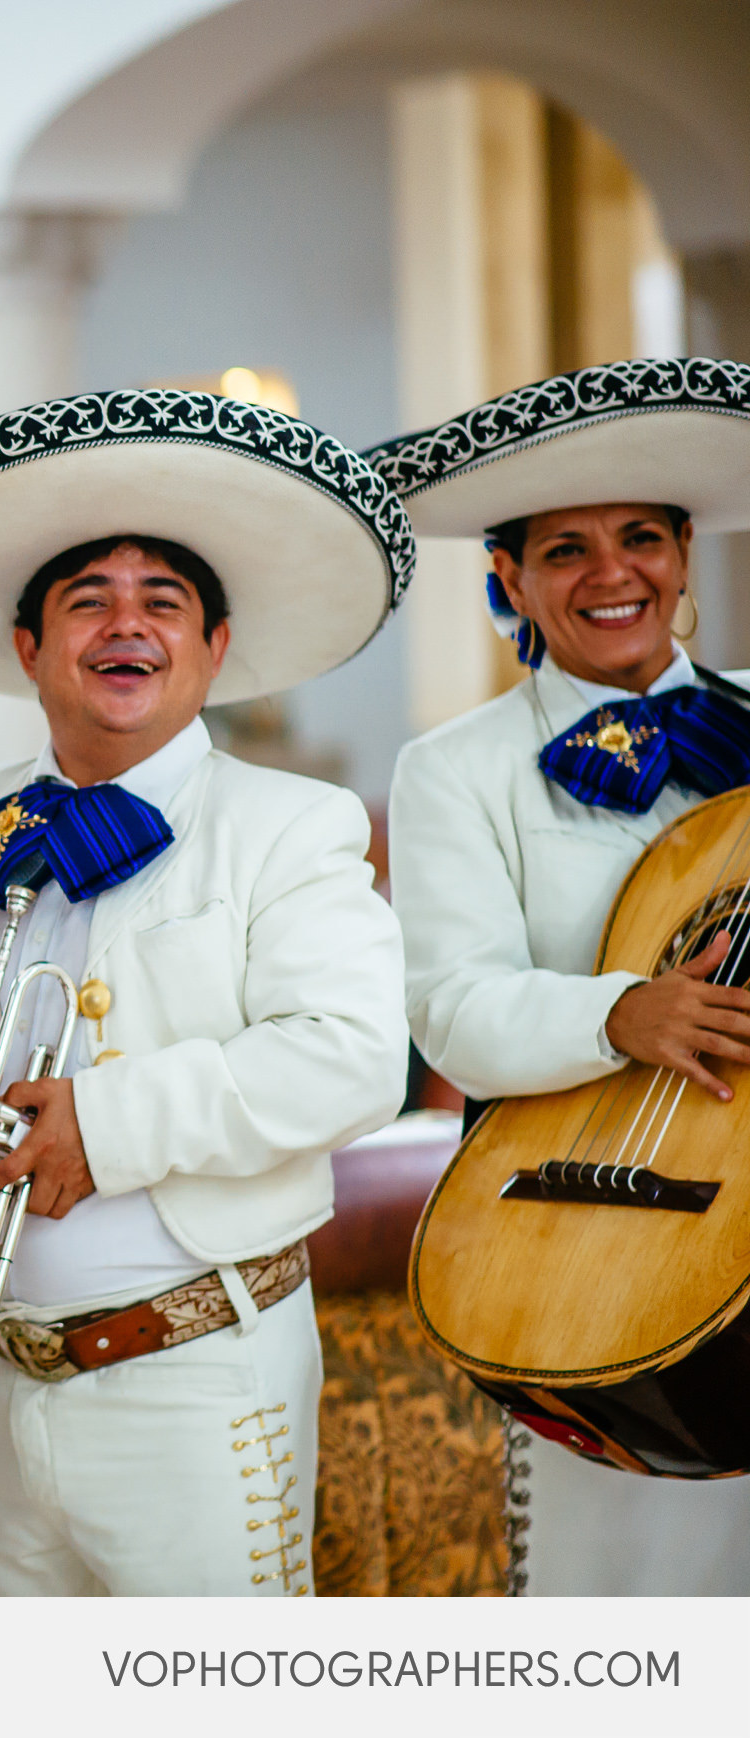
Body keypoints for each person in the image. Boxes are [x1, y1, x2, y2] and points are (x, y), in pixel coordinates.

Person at [0, 388, 413, 1595]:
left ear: (212, 647)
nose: (125, 624)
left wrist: (102, 1128)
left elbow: (354, 1055)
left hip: (199, 1375)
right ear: (28, 648)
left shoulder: (290, 824)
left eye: (163, 602)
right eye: (86, 600)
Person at [375, 356, 750, 1595]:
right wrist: (622, 1014)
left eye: (641, 536)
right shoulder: (457, 770)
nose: (611, 573)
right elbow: (455, 1012)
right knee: (626, 1592)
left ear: (685, 556)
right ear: (512, 581)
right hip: (592, 1234)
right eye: (565, 548)